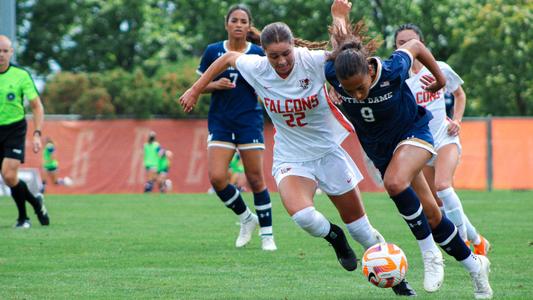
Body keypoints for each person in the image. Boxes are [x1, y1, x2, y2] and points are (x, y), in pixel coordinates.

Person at [181, 1, 416, 295]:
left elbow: (343, 50)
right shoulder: (256, 66)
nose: (280, 62)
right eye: (273, 56)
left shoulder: (312, 61)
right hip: (292, 156)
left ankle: (398, 280)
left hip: (328, 151)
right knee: (303, 217)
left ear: (294, 46)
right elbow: (228, 58)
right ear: (264, 53)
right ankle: (335, 238)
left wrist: (339, 17)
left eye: (285, 54)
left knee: (362, 230)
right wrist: (196, 88)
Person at [325, 17, 492, 299]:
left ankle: (429, 254)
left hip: (413, 133)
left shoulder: (391, 69)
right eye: (349, 89)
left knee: (394, 182)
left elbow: (415, 45)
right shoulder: (333, 72)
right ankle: (476, 268)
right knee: (432, 213)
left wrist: (440, 80)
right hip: (381, 149)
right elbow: (338, 47)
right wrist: (338, 17)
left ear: (369, 69)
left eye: (361, 87)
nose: (357, 94)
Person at [394, 23, 491, 256]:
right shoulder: (397, 77)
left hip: (445, 138)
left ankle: (464, 242)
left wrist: (457, 120)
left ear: (421, 44)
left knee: (443, 186)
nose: (406, 45)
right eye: (400, 43)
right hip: (422, 145)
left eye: (411, 41)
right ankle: (478, 240)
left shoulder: (440, 68)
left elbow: (459, 94)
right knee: (435, 204)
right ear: (396, 47)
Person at [193, 4, 276, 251]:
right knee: (217, 178)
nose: (239, 25)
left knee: (255, 178)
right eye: (234, 21)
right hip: (220, 120)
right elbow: (199, 84)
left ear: (249, 26)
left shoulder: (259, 53)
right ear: (226, 24)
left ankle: (268, 236)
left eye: (243, 21)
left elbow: (271, 83)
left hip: (248, 119)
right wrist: (214, 85)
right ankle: (245, 218)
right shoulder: (213, 51)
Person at [0, 35, 49, 228]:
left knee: (9, 175)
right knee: (9, 178)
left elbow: (37, 107)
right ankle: (36, 202)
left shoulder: (21, 75)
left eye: (5, 51)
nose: (1, 55)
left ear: (11, 52)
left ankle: (23, 218)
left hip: (15, 128)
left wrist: (37, 134)